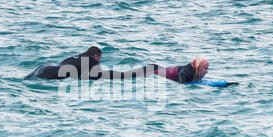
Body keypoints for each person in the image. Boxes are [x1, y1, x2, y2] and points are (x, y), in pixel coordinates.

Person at [25, 47, 209, 83]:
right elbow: (182, 76)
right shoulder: (188, 70)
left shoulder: (76, 58)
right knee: (121, 76)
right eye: (206, 68)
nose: (207, 71)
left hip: (44, 68)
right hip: (152, 70)